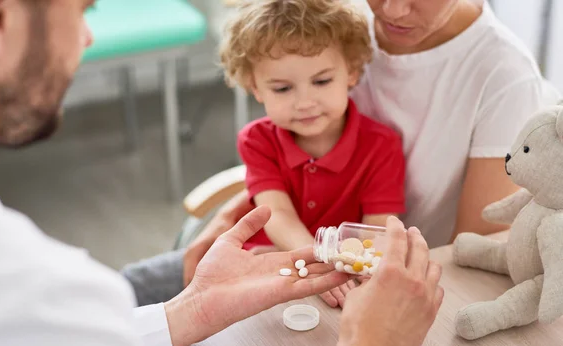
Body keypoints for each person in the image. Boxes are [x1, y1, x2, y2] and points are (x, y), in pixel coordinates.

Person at [0, 1, 444, 346]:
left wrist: (192, 310)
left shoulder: (14, 287)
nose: (88, 37)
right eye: (81, 9)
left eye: (321, 80)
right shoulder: (20, 292)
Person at [179, 0, 560, 289]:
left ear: (350, 71)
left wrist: (328, 266)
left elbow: (468, 248)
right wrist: (229, 221)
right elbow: (275, 172)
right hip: (275, 250)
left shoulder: (504, 76)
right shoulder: (337, 19)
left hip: (365, 275)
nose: (392, 10)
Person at [217, 0, 406, 308]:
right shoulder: (256, 140)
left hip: (340, 278)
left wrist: (325, 268)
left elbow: (379, 232)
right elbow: (276, 213)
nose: (304, 102)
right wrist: (311, 261)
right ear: (256, 88)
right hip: (270, 265)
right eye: (282, 89)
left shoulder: (381, 146)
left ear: (352, 73)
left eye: (321, 81)